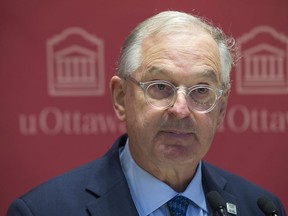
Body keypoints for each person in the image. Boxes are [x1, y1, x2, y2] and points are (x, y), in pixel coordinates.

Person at [7, 11, 286, 216]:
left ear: (221, 108)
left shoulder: (260, 207)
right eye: (161, 87)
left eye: (201, 91)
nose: (180, 109)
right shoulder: (44, 210)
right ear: (121, 98)